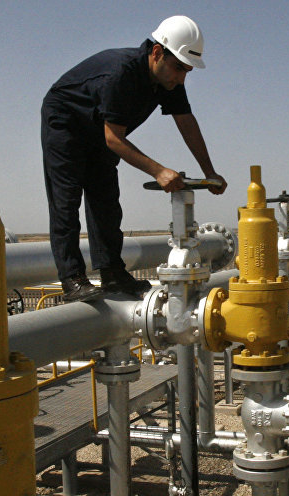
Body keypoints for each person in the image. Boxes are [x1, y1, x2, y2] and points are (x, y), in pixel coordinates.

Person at [41, 15, 226, 302]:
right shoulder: (121, 74)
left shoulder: (168, 81)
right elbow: (114, 139)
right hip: (66, 121)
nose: (181, 78)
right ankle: (72, 278)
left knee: (105, 200)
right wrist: (158, 171)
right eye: (179, 67)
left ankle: (112, 273)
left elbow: (186, 122)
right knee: (66, 200)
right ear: (157, 53)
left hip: (102, 128)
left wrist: (209, 171)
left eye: (187, 71)